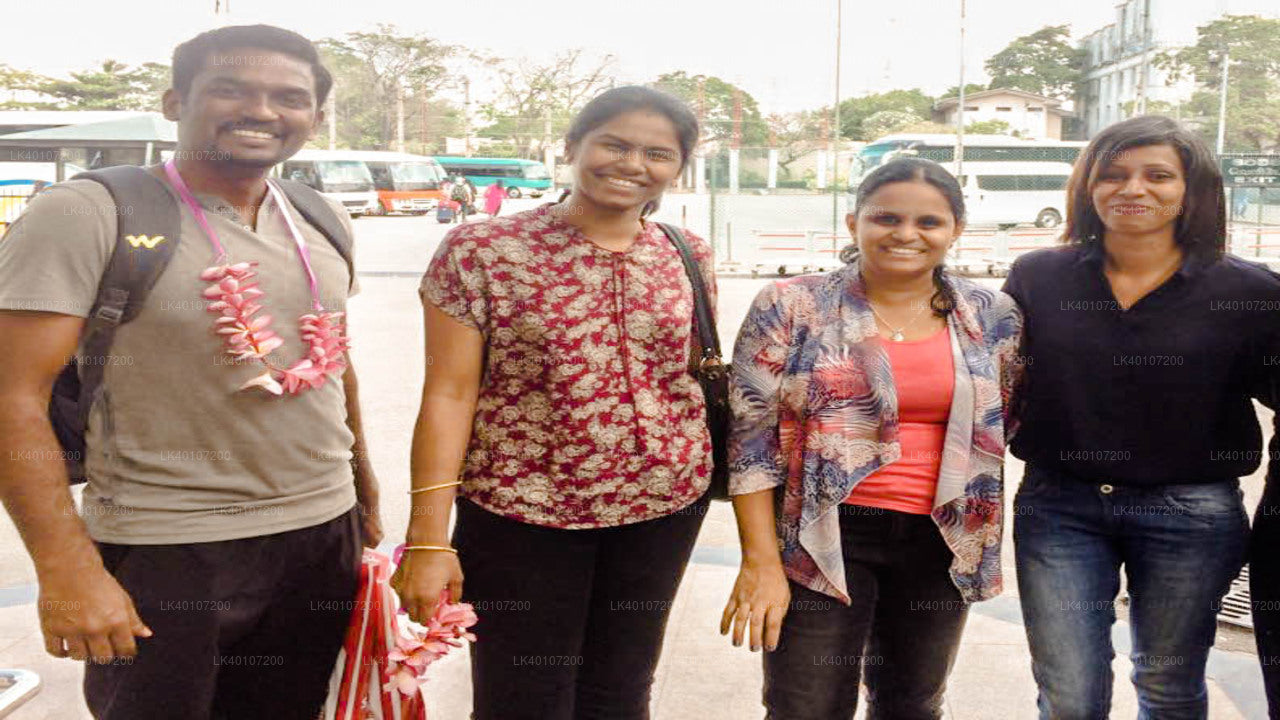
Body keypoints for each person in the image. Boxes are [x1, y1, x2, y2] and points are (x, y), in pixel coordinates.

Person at [0, 25, 382, 720]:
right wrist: (65, 569)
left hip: (321, 535)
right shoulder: (86, 213)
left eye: (289, 97)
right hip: (166, 545)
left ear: (316, 118)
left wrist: (363, 490)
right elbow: (10, 395)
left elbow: (331, 358)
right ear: (177, 102)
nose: (263, 111)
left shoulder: (320, 218)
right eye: (231, 89)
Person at [393, 85, 711, 720]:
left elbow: (690, 375)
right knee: (523, 696)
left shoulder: (684, 251)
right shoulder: (482, 250)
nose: (632, 164)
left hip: (663, 506)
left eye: (657, 153)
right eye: (614, 144)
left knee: (620, 689)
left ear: (678, 167)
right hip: (523, 513)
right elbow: (449, 394)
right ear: (571, 148)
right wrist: (428, 540)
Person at [723, 157, 1023, 719]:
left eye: (929, 222)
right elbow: (750, 443)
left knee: (911, 703)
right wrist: (760, 561)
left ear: (955, 229)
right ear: (852, 222)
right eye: (886, 217)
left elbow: (1005, 416)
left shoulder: (992, 313)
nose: (906, 234)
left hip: (942, 537)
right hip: (823, 533)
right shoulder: (792, 304)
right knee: (805, 705)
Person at [1003, 114, 1280, 718]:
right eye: (1114, 174)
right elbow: (991, 379)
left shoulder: (1252, 292)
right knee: (1070, 696)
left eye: (1158, 175)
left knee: (1168, 690)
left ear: (1193, 190)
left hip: (1190, 515)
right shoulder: (1037, 276)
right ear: (1088, 186)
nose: (1133, 189)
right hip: (1059, 508)